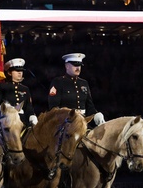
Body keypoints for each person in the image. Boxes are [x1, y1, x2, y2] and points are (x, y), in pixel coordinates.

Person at [48, 52, 105, 188]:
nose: (78, 68)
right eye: (74, 65)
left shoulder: (84, 83)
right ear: (66, 66)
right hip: (66, 125)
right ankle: (57, 177)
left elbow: (89, 105)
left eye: (79, 65)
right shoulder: (58, 82)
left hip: (84, 124)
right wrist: (69, 116)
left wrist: (96, 114)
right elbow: (54, 107)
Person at [0, 58, 38, 127]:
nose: (20, 73)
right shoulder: (3, 87)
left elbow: (28, 107)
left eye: (21, 71)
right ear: (9, 73)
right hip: (7, 122)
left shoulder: (25, 89)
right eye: (17, 71)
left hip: (22, 121)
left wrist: (32, 116)